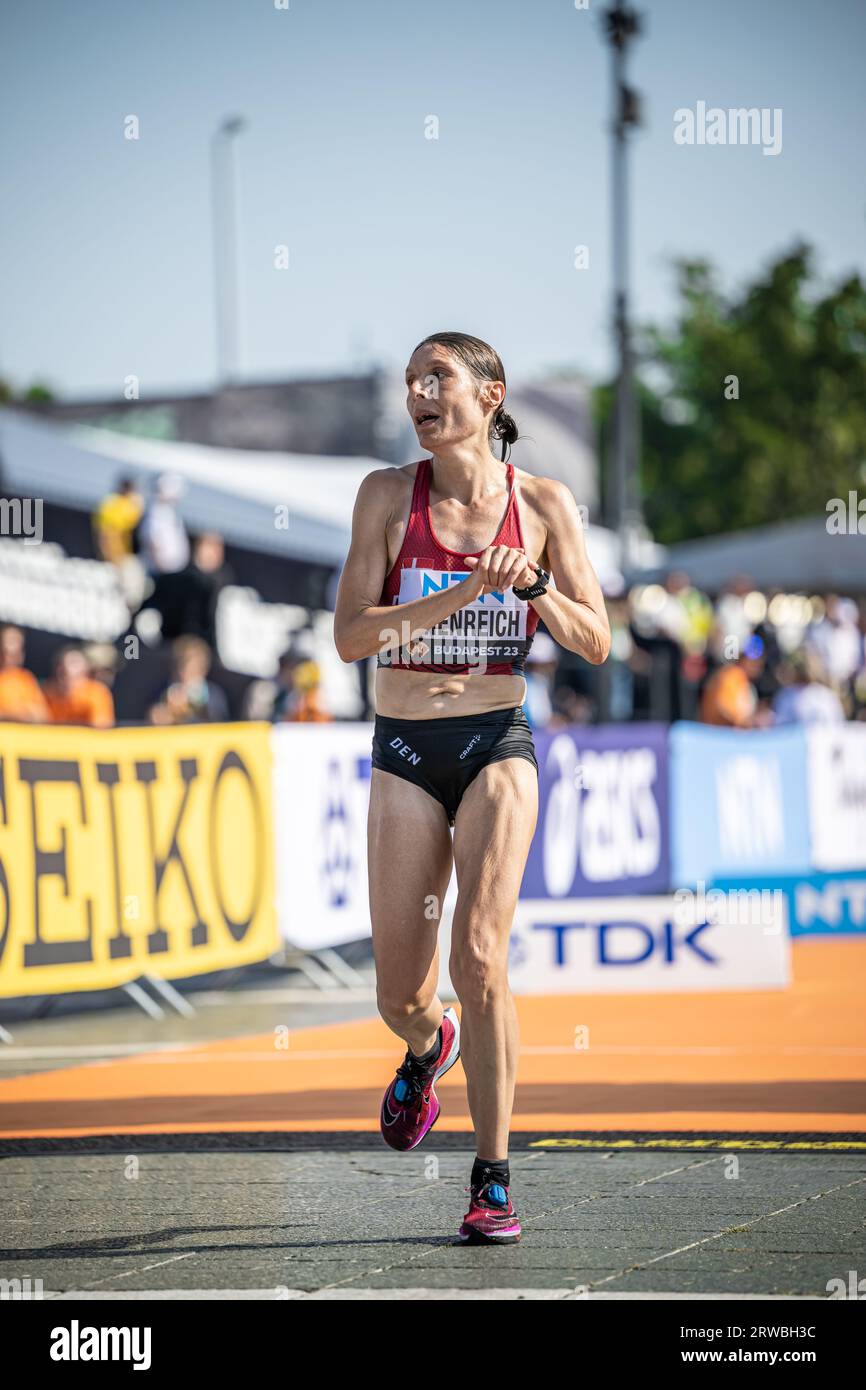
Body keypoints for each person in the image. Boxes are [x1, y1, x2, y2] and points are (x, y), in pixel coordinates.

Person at [334, 331, 610, 1243]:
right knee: (399, 996)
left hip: (498, 739)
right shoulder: (385, 495)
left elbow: (595, 640)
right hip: (407, 749)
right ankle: (427, 1045)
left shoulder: (543, 502)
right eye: (412, 381)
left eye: (437, 378)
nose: (419, 394)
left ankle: (493, 1176)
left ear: (490, 396)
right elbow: (350, 636)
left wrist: (530, 582)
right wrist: (451, 598)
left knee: (482, 958)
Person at [148, 635, 229, 725]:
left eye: (197, 668)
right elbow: (155, 718)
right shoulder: (166, 692)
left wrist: (195, 705)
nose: (194, 673)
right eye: (190, 669)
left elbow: (218, 720)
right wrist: (168, 713)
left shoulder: (213, 694)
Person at [699, 634, 765, 727]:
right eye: (752, 660)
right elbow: (723, 710)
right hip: (718, 735)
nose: (756, 665)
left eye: (758, 661)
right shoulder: (731, 676)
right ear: (742, 658)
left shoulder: (743, 680)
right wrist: (745, 723)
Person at [44, 645, 115, 727]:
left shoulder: (96, 693)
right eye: (60, 664)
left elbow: (101, 727)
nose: (65, 667)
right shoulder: (48, 693)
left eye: (73, 663)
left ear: (85, 669)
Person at [0, 624, 49, 722]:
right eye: (4, 652)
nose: (7, 658)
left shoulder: (26, 679)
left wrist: (8, 715)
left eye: (13, 654)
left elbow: (41, 716)